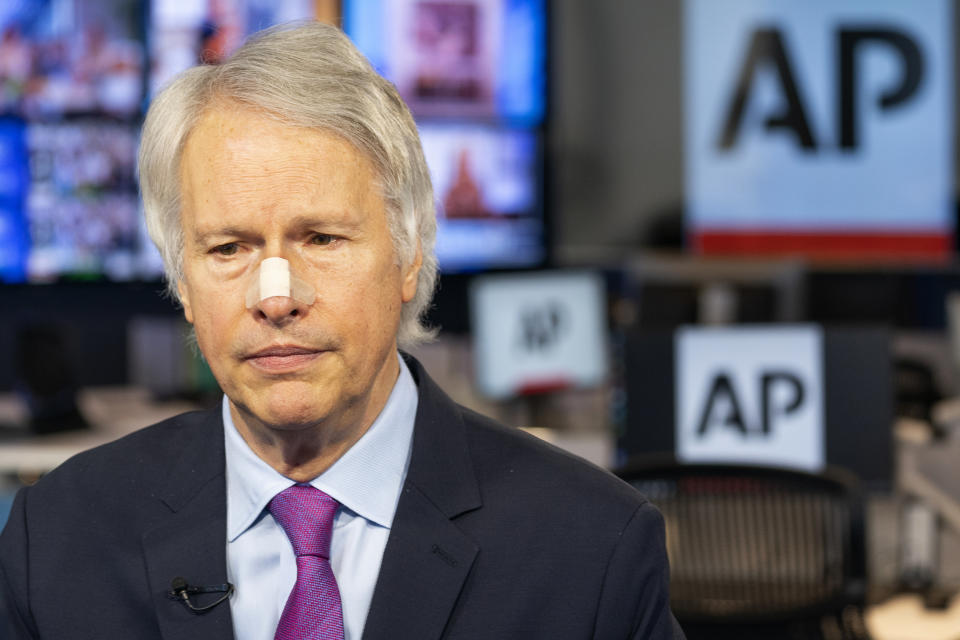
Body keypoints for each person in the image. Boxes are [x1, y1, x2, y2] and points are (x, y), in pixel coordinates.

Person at [0, 22, 685, 640]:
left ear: (409, 254)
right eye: (229, 249)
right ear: (181, 281)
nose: (277, 298)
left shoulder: (592, 548)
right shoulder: (55, 538)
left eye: (322, 238)